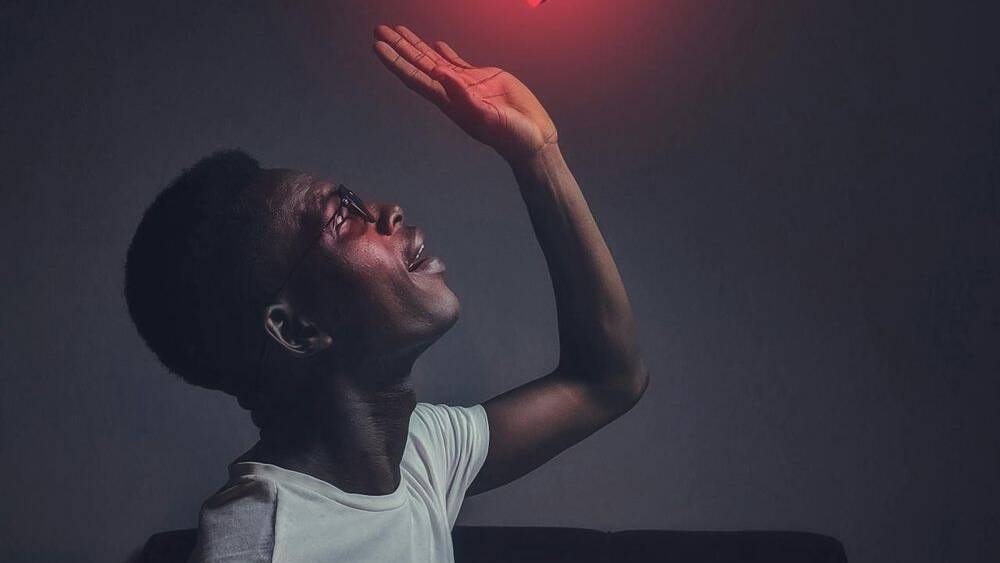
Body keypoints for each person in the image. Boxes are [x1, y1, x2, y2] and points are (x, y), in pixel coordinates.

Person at [124, 24, 648, 563]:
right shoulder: (263, 548)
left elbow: (607, 380)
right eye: (340, 216)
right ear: (296, 328)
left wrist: (538, 155)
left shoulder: (416, 453)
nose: (388, 211)